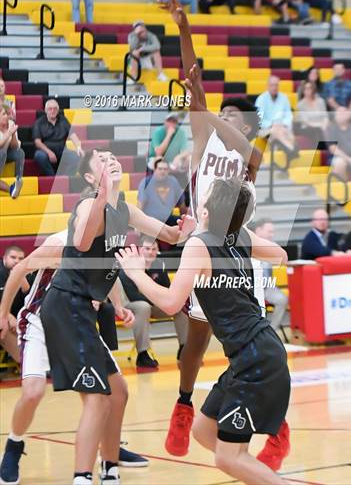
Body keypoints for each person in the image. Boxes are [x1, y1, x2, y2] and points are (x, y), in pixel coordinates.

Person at [160, 0, 290, 472]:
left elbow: (222, 121)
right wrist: (183, 28)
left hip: (235, 256)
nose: (224, 119)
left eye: (234, 117)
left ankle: (277, 425)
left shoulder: (248, 161)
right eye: (222, 115)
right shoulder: (203, 140)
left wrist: (208, 107)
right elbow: (193, 80)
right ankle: (184, 403)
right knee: (193, 341)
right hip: (203, 245)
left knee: (243, 337)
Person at [116, 179, 291, 485]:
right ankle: (256, 472)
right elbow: (280, 255)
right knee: (203, 431)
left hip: (255, 359)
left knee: (227, 457)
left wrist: (136, 274)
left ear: (208, 212)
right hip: (253, 353)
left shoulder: (199, 245)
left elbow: (171, 304)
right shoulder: (239, 236)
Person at [38, 148, 195, 485]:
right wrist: (103, 194)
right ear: (92, 178)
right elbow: (81, 242)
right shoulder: (85, 203)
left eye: (113, 156)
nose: (111, 159)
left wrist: (186, 229)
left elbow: (169, 235)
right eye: (102, 160)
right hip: (65, 304)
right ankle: (82, 477)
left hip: (83, 308)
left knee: (118, 391)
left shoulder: (125, 209)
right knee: (97, 398)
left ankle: (109, 469)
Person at [0, 231, 148, 485]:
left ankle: (108, 448)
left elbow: (107, 274)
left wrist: (119, 306)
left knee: (115, 391)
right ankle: (14, 445)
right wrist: (3, 314)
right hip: (39, 320)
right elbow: (18, 271)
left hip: (77, 321)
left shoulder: (106, 241)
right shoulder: (60, 245)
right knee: (33, 392)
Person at [119, 236, 188, 370]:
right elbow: (133, 296)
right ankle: (143, 354)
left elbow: (168, 290)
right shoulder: (129, 266)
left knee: (179, 305)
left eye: (154, 249)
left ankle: (184, 349)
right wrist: (157, 297)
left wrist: (164, 300)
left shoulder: (159, 265)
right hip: (130, 306)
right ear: (139, 250)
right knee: (143, 307)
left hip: (153, 306)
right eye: (147, 249)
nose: (151, 252)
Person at [251, 219, 288, 332]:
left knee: (283, 300)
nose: (272, 235)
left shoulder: (271, 246)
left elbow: (283, 260)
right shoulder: (248, 244)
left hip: (268, 286)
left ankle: (272, 331)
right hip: (251, 287)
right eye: (269, 232)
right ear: (258, 230)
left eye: (273, 232)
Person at [33, 99, 83, 176]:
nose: (53, 111)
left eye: (55, 108)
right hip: (46, 150)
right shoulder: (39, 122)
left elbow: (73, 136)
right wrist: (49, 152)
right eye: (50, 109)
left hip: (62, 149)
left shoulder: (63, 120)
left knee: (78, 157)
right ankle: (52, 177)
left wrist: (78, 148)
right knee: (39, 156)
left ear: (58, 110)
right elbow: (37, 142)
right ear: (46, 110)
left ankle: (65, 178)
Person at [255, 75, 296, 159]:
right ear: (268, 86)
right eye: (272, 85)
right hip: (265, 129)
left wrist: (283, 125)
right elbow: (259, 120)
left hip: (281, 127)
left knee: (281, 133)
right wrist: (272, 124)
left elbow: (288, 115)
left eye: (276, 85)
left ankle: (284, 153)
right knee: (275, 131)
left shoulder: (284, 98)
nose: (274, 87)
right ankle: (290, 149)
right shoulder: (261, 99)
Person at [137, 158, 187, 226]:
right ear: (154, 170)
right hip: (151, 221)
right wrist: (138, 225)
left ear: (168, 171)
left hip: (168, 220)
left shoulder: (173, 181)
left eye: (165, 169)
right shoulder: (146, 183)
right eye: (160, 169)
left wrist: (185, 220)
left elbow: (182, 206)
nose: (162, 171)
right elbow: (140, 206)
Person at [0, 104, 24, 198]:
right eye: (4, 114)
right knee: (2, 152)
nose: (8, 117)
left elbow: (15, 147)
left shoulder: (10, 124)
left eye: (8, 114)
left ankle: (18, 180)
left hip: (6, 155)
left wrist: (13, 134)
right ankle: (12, 189)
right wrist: (9, 133)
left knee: (20, 152)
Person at [0, 245, 29, 318]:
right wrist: (7, 316)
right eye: (13, 257)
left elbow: (33, 304)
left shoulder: (28, 273)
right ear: (5, 258)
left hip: (20, 318)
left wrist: (26, 289)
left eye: (21, 258)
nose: (17, 261)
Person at [295, 81, 328, 146]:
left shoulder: (320, 101)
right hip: (307, 127)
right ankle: (321, 150)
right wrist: (319, 126)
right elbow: (306, 121)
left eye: (310, 88)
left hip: (321, 125)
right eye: (306, 88)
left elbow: (325, 117)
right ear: (303, 91)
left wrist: (324, 125)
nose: (308, 90)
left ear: (313, 89)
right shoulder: (301, 104)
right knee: (316, 131)